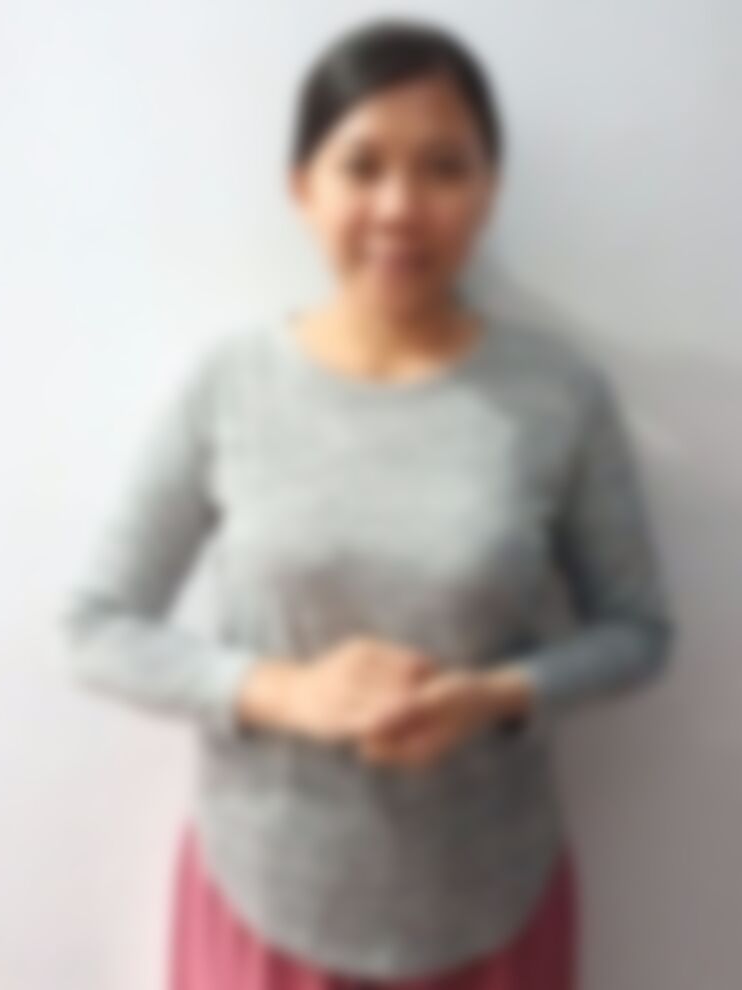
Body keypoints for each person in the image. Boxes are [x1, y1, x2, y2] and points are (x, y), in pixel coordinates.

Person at [59, 16, 675, 990]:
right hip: (264, 900)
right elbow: (94, 624)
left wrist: (496, 698)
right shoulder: (231, 387)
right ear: (303, 188)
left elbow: (637, 632)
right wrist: (285, 693)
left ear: (490, 188)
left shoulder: (558, 395)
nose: (399, 207)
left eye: (443, 167)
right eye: (362, 166)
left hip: (492, 899)